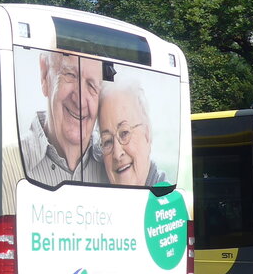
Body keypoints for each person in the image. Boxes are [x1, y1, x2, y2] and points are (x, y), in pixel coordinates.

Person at [20, 51, 108, 186]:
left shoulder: (114, 167)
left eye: (92, 85)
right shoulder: (6, 164)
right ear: (45, 75)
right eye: (70, 75)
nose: (80, 102)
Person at [98, 81, 167, 186]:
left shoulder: (169, 200)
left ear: (147, 134)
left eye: (124, 133)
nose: (117, 154)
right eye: (107, 141)